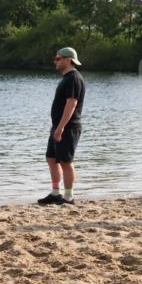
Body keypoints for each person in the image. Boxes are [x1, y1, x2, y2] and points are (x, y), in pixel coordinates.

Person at [39, 47, 86, 206]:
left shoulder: (74, 78)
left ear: (68, 60)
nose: (55, 61)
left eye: (58, 58)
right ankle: (55, 193)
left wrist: (61, 127)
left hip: (68, 127)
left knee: (66, 161)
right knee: (51, 158)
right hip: (58, 126)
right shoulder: (66, 78)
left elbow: (71, 104)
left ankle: (69, 197)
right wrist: (56, 126)